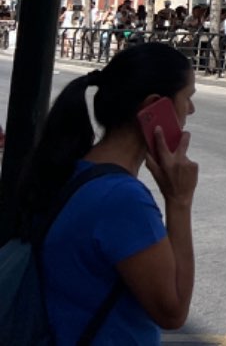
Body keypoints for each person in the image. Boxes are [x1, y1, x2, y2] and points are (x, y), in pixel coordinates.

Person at [17, 41, 199, 342]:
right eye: (187, 97)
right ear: (154, 106)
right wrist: (179, 201)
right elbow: (173, 310)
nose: (191, 109)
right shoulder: (122, 199)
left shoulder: (75, 167)